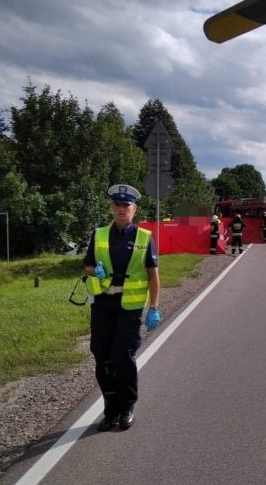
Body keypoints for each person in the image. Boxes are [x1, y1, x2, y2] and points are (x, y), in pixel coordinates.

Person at [83, 184, 161, 432]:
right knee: (101, 355)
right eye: (117, 204)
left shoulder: (144, 237)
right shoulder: (100, 234)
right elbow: (87, 266)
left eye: (126, 205)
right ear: (112, 207)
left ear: (134, 209)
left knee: (122, 356)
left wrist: (154, 307)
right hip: (103, 304)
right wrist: (96, 270)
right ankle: (111, 409)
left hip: (130, 307)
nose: (121, 209)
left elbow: (153, 275)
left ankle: (127, 406)